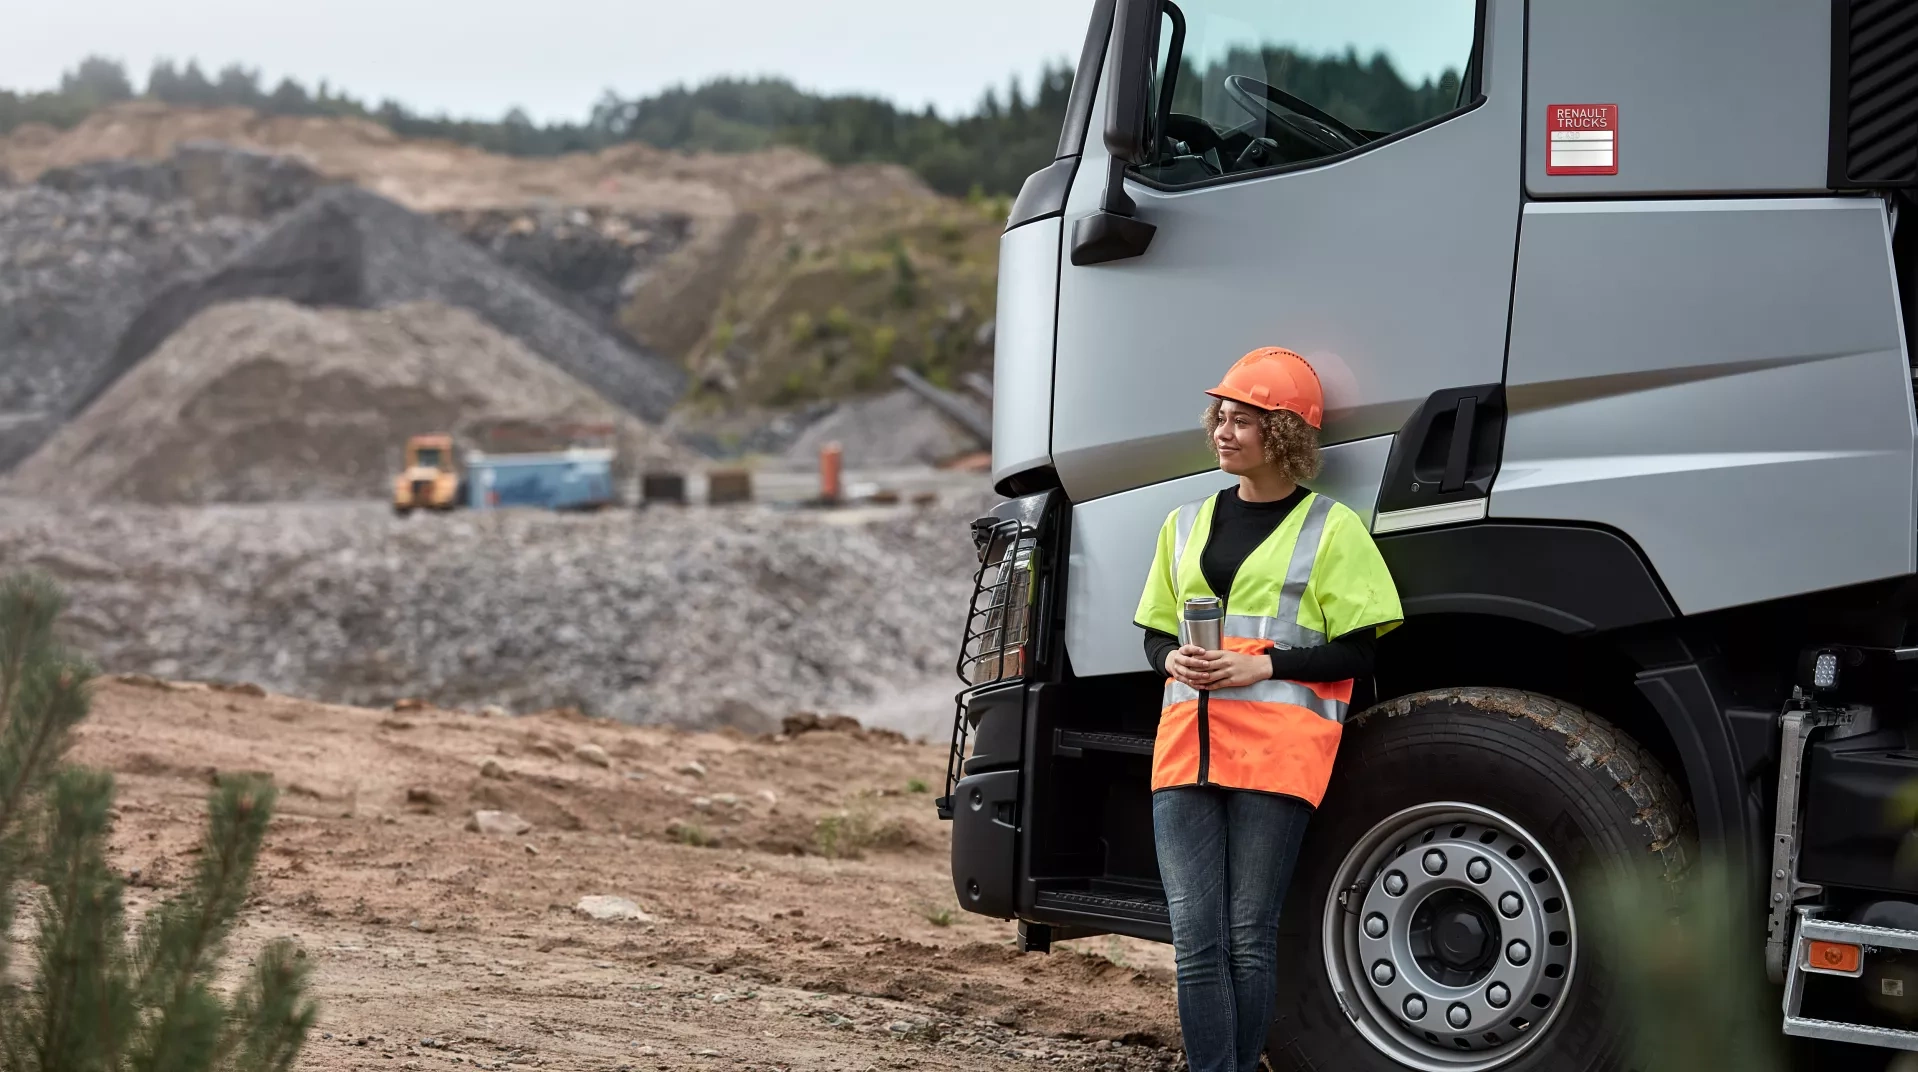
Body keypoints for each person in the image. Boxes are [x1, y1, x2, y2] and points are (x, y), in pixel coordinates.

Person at [1133, 347, 1403, 1072]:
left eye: (1242, 421)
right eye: (1219, 418)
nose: (1223, 432)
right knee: (1196, 939)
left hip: (1277, 755)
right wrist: (1168, 659)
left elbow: (1361, 651)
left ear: (1281, 434)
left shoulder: (1332, 530)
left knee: (1249, 935)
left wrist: (1262, 665)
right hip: (1186, 750)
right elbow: (1154, 629)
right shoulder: (1183, 524)